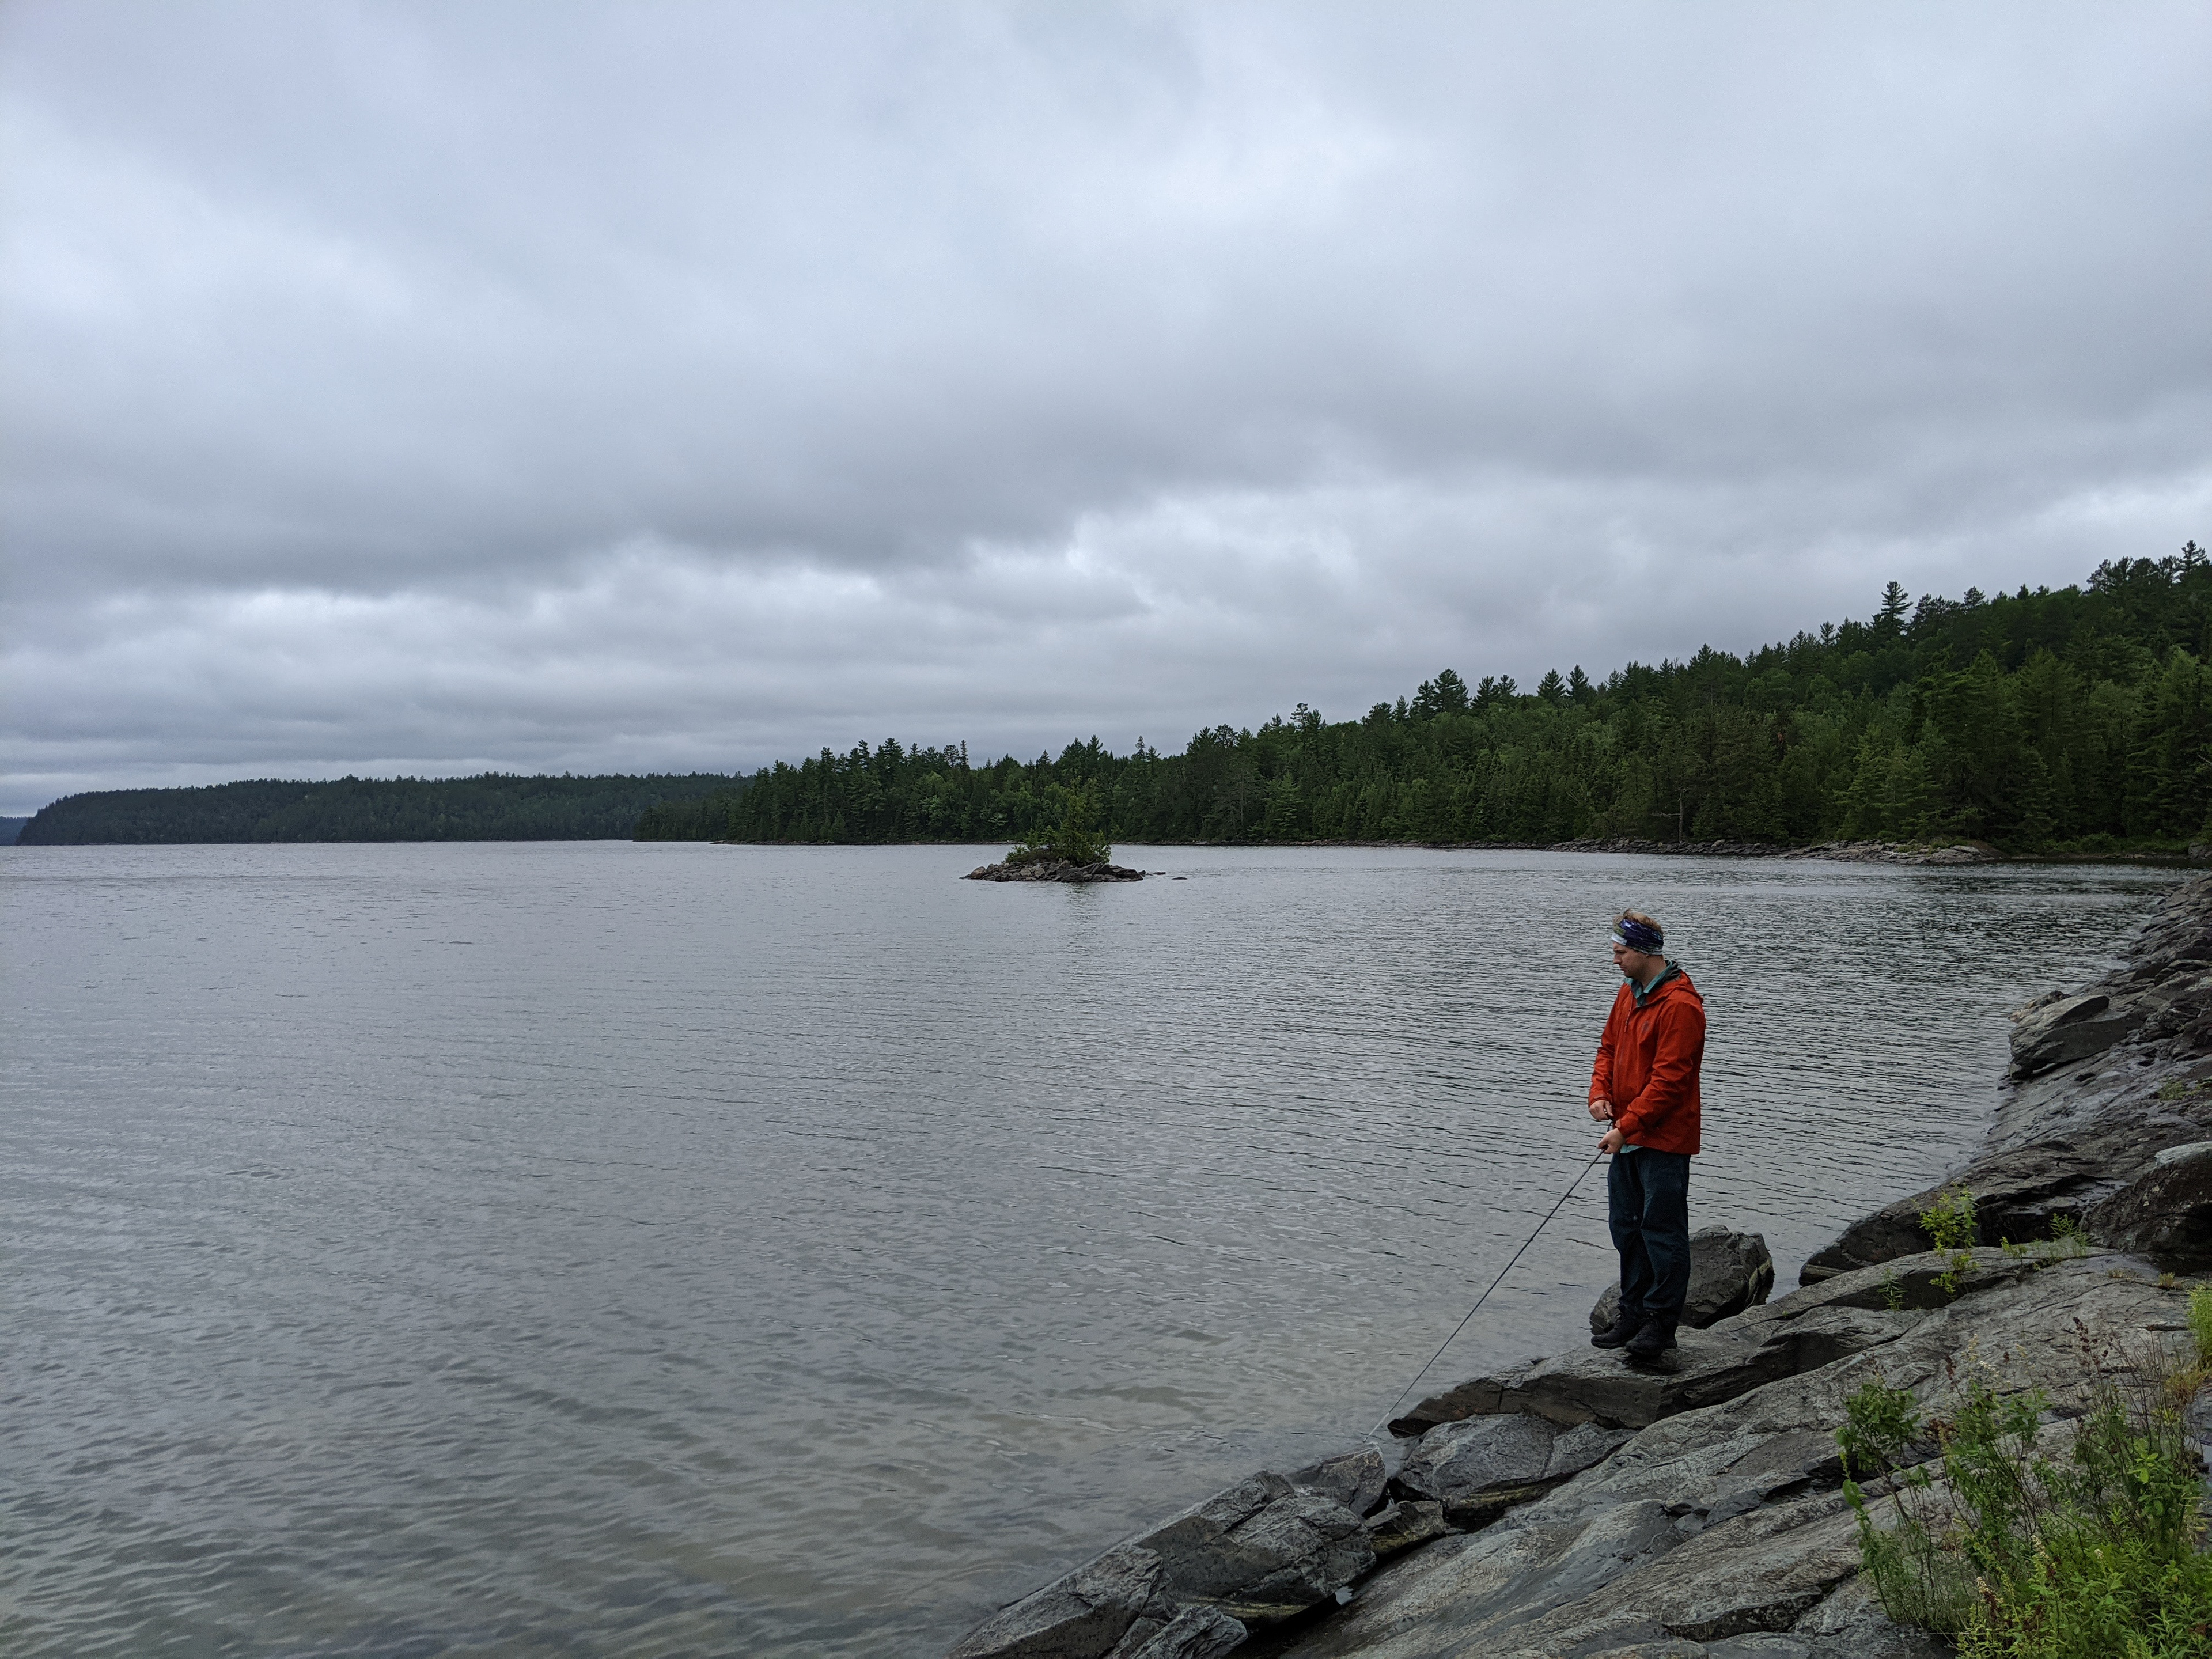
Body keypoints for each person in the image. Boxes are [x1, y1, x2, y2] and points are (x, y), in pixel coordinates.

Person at [1585, 910, 1705, 1363]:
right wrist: (1599, 1095)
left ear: (1644, 952)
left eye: (1620, 952)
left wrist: (1625, 1127)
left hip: (1664, 1140)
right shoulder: (1628, 993)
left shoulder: (1681, 1005)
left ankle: (1660, 1324)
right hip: (1628, 1134)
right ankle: (1632, 1313)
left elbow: (1669, 1083)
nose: (1615, 960)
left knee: (1662, 1231)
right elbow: (1608, 1049)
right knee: (1627, 1227)